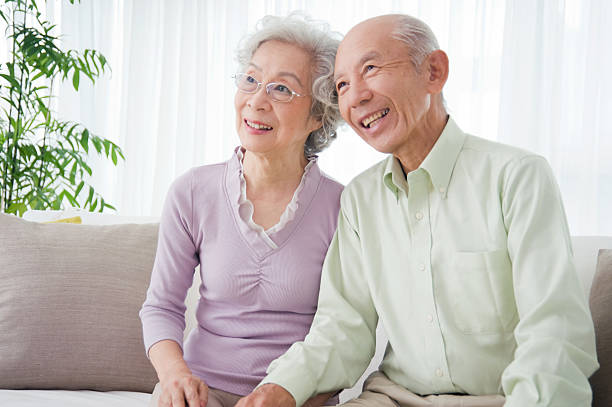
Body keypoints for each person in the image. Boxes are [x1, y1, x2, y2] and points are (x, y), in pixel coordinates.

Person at [236, 14, 599, 407]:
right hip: (392, 399)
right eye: (342, 85)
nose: (355, 97)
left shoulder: (515, 176)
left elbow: (553, 333)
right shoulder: (361, 199)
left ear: (434, 71)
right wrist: (280, 388)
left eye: (371, 69)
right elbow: (343, 328)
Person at [139, 14, 344, 407]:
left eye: (281, 89)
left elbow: (341, 332)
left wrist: (290, 391)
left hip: (297, 397)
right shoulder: (193, 191)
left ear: (319, 115)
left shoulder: (342, 208)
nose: (256, 100)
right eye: (250, 80)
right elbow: (161, 306)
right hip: (201, 392)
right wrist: (176, 376)